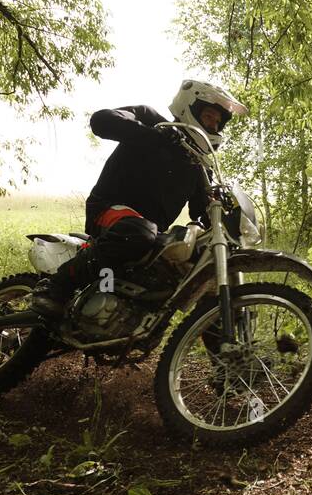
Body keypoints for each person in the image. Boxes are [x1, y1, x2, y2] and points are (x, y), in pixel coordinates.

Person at [30, 78, 248, 319]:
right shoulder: (153, 122)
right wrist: (152, 136)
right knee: (140, 230)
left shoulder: (197, 165)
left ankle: (230, 354)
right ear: (191, 107)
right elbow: (101, 121)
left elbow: (201, 211)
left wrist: (225, 216)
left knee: (197, 265)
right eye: (209, 116)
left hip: (149, 234)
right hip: (108, 212)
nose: (213, 124)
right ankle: (55, 286)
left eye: (218, 122)